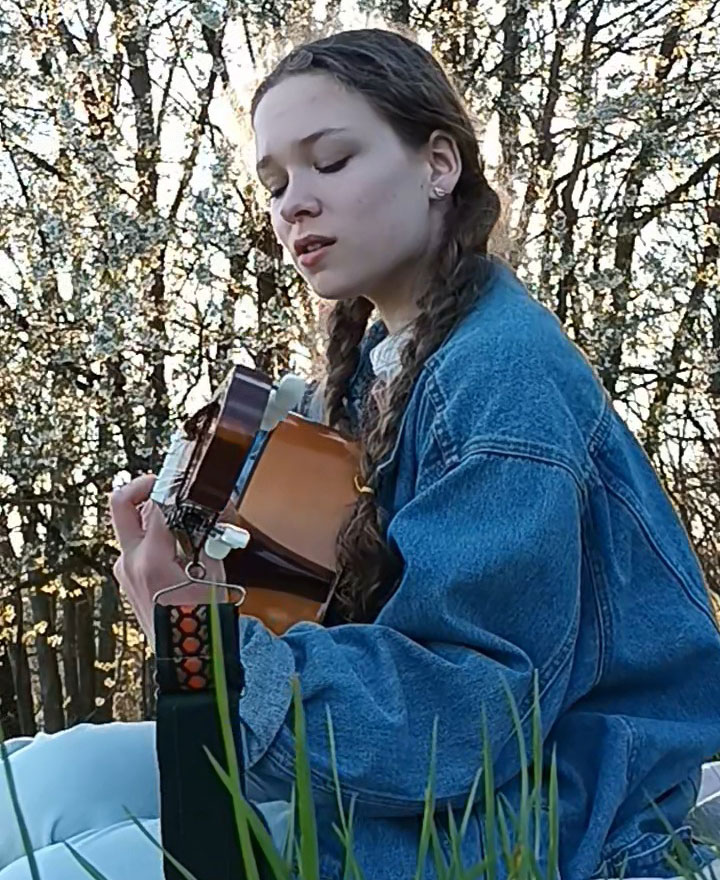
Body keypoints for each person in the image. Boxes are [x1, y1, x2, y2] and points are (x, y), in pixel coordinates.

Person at [2, 27, 720, 880]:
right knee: (29, 785)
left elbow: (466, 716)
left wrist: (201, 638)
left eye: (331, 162)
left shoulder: (503, 375)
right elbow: (335, 613)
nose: (292, 203)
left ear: (438, 165)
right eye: (275, 182)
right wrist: (218, 566)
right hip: (410, 783)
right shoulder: (376, 369)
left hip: (540, 812)